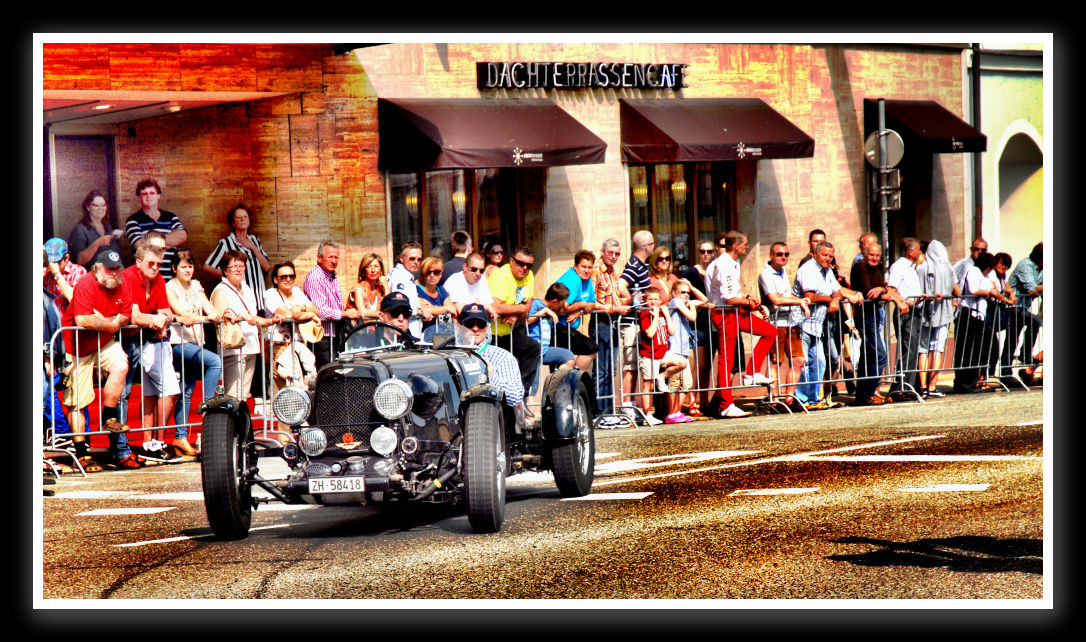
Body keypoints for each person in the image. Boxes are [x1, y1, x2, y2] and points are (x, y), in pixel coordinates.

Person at [61, 249, 137, 468]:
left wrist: (108, 322)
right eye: (109, 268)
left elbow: (126, 315)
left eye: (117, 268)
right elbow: (83, 319)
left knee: (121, 365)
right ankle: (82, 454)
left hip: (102, 341)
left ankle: (108, 416)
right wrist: (111, 323)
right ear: (97, 268)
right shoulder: (86, 283)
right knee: (78, 399)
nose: (114, 273)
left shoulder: (123, 283)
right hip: (76, 346)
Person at [704, 230, 777, 419]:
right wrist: (749, 303)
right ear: (735, 245)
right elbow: (728, 298)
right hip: (725, 314)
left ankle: (752, 372)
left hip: (735, 312)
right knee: (726, 359)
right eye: (745, 243)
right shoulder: (724, 264)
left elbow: (734, 293)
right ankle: (726, 404)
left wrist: (750, 300)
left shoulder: (731, 263)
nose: (747, 246)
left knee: (769, 331)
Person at [120, 242, 181, 459]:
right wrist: (157, 320)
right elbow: (134, 315)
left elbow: (167, 312)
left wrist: (160, 319)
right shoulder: (127, 277)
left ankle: (152, 443)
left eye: (158, 264)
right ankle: (137, 444)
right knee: (128, 393)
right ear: (138, 262)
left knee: (153, 393)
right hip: (128, 339)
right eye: (151, 263)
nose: (155, 268)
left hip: (149, 340)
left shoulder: (158, 280)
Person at [793, 240, 864, 410]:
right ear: (816, 254)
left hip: (817, 324)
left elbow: (837, 292)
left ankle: (811, 399)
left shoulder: (828, 271)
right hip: (802, 321)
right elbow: (809, 295)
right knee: (804, 364)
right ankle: (801, 399)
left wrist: (835, 298)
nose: (827, 259)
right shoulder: (807, 269)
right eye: (824, 255)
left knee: (819, 361)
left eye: (830, 256)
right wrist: (831, 299)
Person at [166, 249, 223, 456]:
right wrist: (200, 317)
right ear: (174, 268)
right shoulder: (169, 288)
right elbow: (181, 313)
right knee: (214, 362)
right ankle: (209, 407)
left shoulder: (197, 285)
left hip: (197, 341)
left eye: (190, 266)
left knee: (187, 389)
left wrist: (217, 315)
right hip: (179, 343)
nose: (188, 270)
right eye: (183, 266)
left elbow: (209, 307)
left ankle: (180, 437)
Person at [211, 250, 282, 402]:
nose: (238, 269)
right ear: (225, 270)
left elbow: (253, 316)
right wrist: (240, 317)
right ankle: (230, 425)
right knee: (233, 395)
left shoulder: (247, 288)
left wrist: (271, 321)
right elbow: (220, 321)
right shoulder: (221, 291)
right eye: (234, 266)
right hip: (233, 350)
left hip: (251, 347)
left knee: (243, 395)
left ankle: (239, 425)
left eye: (241, 266)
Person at [759, 241, 812, 408]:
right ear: (771, 256)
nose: (783, 257)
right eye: (779, 254)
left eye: (786, 254)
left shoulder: (782, 272)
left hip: (790, 321)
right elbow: (775, 299)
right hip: (775, 323)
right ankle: (773, 400)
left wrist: (799, 301)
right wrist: (799, 302)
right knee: (775, 362)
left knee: (799, 360)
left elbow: (786, 296)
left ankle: (789, 398)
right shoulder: (765, 274)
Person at [487, 246, 541, 397]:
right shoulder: (501, 277)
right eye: (520, 263)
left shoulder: (528, 275)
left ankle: (520, 395)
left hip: (510, 331)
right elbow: (495, 307)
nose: (525, 268)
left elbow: (528, 305)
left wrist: (515, 313)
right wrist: (519, 309)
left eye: (529, 265)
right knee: (496, 371)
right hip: (491, 334)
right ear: (511, 261)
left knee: (533, 348)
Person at [263, 261, 320, 399]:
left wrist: (303, 309)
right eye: (284, 277)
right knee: (286, 391)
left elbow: (316, 310)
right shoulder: (270, 294)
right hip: (279, 348)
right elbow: (286, 315)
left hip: (298, 346)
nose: (288, 279)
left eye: (291, 276)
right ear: (276, 279)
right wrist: (310, 315)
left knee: (303, 387)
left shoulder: (297, 292)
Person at [202, 204, 272, 314]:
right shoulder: (226, 243)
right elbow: (207, 266)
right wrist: (228, 274)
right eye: (239, 217)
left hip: (259, 299)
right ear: (233, 223)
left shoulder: (255, 240)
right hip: (239, 300)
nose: (243, 219)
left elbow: (267, 267)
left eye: (245, 216)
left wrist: (253, 247)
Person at [848, 241, 894, 405]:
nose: (874, 258)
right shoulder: (860, 266)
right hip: (866, 316)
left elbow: (882, 289)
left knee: (868, 356)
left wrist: (882, 290)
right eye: (871, 255)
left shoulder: (878, 269)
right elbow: (869, 292)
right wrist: (883, 292)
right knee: (879, 355)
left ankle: (863, 393)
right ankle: (867, 392)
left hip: (874, 315)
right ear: (865, 255)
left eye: (877, 255)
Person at [303, 240, 362, 368]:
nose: (334, 261)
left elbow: (337, 304)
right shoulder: (315, 277)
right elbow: (320, 310)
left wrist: (348, 315)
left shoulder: (332, 276)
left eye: (336, 257)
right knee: (326, 373)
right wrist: (345, 314)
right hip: (322, 337)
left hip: (335, 334)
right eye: (330, 257)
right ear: (319, 258)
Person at [590, 239, 632, 415]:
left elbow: (612, 297)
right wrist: (616, 308)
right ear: (602, 252)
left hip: (613, 321)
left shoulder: (612, 272)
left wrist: (629, 301)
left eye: (617, 254)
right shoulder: (596, 271)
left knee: (610, 369)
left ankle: (608, 410)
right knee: (600, 368)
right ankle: (598, 411)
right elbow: (591, 302)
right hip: (601, 322)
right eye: (610, 253)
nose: (614, 257)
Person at [638, 286, 691, 424]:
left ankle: (661, 377)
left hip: (663, 353)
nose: (653, 302)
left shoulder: (662, 313)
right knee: (648, 385)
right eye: (650, 300)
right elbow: (649, 333)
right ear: (645, 300)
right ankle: (647, 414)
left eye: (656, 299)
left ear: (660, 300)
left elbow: (672, 332)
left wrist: (666, 315)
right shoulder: (645, 314)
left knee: (682, 362)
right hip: (649, 355)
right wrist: (655, 317)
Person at [915, 239, 959, 397]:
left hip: (924, 312)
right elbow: (957, 292)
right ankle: (933, 386)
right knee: (937, 349)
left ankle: (923, 385)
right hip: (944, 312)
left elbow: (918, 291)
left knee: (923, 349)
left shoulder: (922, 268)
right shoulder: (949, 268)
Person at [681, 239, 720, 413]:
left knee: (708, 365)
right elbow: (682, 295)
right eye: (703, 251)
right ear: (698, 252)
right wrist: (701, 304)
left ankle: (704, 401)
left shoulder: (715, 271)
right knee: (700, 364)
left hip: (713, 323)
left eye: (709, 251)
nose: (706, 255)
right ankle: (692, 402)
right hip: (696, 323)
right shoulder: (690, 273)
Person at [460, 302, 524, 409]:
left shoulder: (503, 357)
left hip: (489, 418)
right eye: (470, 324)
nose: (475, 329)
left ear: (487, 327)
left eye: (480, 324)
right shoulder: (450, 356)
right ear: (460, 327)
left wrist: (491, 377)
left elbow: (515, 398)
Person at [618, 230, 655, 411]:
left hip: (637, 320)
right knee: (631, 363)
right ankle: (627, 404)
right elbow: (621, 285)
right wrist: (632, 301)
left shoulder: (641, 264)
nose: (654, 247)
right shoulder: (634, 264)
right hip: (631, 321)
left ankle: (631, 404)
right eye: (652, 243)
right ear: (647, 246)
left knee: (634, 363)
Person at [124, 178, 188, 279]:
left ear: (158, 196)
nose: (148, 196)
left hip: (171, 278)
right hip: (145, 279)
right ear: (139, 198)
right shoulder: (133, 220)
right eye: (144, 194)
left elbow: (182, 236)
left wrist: (153, 241)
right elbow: (140, 245)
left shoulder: (171, 217)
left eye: (152, 193)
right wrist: (168, 242)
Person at [885, 237, 924, 400]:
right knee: (908, 350)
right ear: (911, 251)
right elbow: (891, 289)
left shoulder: (912, 268)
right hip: (905, 312)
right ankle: (901, 387)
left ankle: (908, 386)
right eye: (919, 249)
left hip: (915, 309)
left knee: (913, 350)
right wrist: (903, 301)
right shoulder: (899, 266)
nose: (921, 252)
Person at [953, 251, 995, 394]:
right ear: (988, 266)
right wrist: (986, 293)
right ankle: (966, 383)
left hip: (976, 314)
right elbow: (973, 289)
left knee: (973, 350)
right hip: (970, 313)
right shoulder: (974, 271)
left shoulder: (979, 273)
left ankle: (969, 382)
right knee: (969, 351)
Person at [553, 250, 600, 372]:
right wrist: (582, 304)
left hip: (567, 328)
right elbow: (563, 307)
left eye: (590, 267)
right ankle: (570, 380)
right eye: (583, 267)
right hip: (556, 328)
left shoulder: (587, 279)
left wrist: (579, 311)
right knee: (591, 348)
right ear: (575, 266)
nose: (587, 270)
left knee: (563, 360)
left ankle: (565, 383)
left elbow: (593, 302)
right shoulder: (573, 280)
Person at [526, 283, 577, 395]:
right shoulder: (536, 304)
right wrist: (544, 311)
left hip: (544, 350)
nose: (563, 306)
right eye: (562, 303)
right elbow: (526, 321)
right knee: (533, 385)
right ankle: (527, 409)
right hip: (533, 351)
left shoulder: (551, 310)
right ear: (554, 301)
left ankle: (553, 388)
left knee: (568, 357)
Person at [1006, 242, 1043, 384]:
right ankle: (1024, 356)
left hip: (1023, 307)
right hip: (1013, 306)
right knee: (1034, 322)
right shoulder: (1026, 265)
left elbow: (1034, 288)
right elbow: (1032, 290)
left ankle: (1012, 367)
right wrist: (1036, 288)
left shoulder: (1040, 269)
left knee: (1012, 339)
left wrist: (1035, 288)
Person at [667, 280, 704, 417]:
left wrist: (692, 286)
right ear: (674, 293)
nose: (686, 295)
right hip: (674, 350)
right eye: (683, 292)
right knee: (674, 383)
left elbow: (704, 299)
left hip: (684, 351)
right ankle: (671, 412)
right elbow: (692, 317)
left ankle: (677, 412)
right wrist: (691, 306)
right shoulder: (675, 302)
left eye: (687, 293)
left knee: (686, 383)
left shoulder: (684, 303)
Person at [68, 189, 123, 269]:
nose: (101, 208)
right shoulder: (80, 230)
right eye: (96, 205)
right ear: (88, 207)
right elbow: (79, 260)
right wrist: (97, 244)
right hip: (93, 277)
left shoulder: (108, 226)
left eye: (103, 205)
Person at [387, 241, 430, 340]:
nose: (416, 262)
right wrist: (422, 312)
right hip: (405, 334)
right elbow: (399, 306)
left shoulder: (406, 276)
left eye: (419, 259)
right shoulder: (400, 277)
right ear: (401, 259)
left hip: (410, 332)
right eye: (412, 259)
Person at [444, 252, 496, 318]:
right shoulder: (454, 280)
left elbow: (489, 306)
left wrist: (485, 308)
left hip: (474, 323)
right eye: (474, 269)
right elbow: (460, 310)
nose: (478, 273)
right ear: (465, 267)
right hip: (457, 325)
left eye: (481, 270)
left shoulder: (482, 279)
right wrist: (481, 308)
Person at [43, 237, 87, 314]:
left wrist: (56, 274)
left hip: (67, 324)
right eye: (48, 261)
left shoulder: (78, 271)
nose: (51, 265)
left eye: (55, 261)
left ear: (66, 258)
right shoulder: (44, 271)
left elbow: (74, 299)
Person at [348, 252, 390, 325]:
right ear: (364, 270)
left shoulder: (381, 291)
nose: (373, 270)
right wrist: (384, 315)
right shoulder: (358, 288)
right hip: (358, 333)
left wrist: (386, 286)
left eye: (376, 266)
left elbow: (390, 307)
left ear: (381, 270)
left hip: (377, 333)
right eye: (369, 266)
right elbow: (362, 312)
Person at [416, 256, 455, 330]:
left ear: (440, 275)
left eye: (436, 272)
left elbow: (452, 309)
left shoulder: (440, 289)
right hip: (425, 333)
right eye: (428, 272)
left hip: (443, 332)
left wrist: (433, 308)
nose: (432, 275)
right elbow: (423, 309)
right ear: (423, 274)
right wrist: (445, 309)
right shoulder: (417, 290)